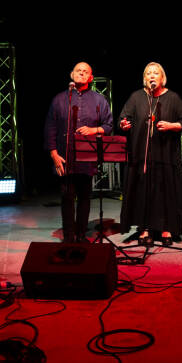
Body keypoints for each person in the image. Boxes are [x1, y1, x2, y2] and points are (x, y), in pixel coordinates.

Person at [119, 62, 182, 246]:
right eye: (148, 73)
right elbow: (124, 118)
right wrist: (124, 124)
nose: (152, 76)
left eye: (155, 73)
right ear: (145, 78)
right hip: (142, 156)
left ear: (162, 77)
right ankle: (145, 228)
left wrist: (171, 125)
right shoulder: (136, 97)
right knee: (144, 191)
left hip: (166, 155)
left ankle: (166, 228)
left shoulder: (173, 98)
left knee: (165, 191)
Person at [43, 62, 114, 243]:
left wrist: (94, 130)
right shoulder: (59, 99)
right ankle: (68, 236)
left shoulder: (99, 100)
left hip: (87, 157)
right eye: (78, 71)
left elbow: (109, 125)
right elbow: (50, 127)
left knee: (84, 197)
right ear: (71, 74)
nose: (81, 73)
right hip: (64, 156)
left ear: (90, 78)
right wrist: (53, 154)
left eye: (85, 72)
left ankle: (81, 234)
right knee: (67, 197)